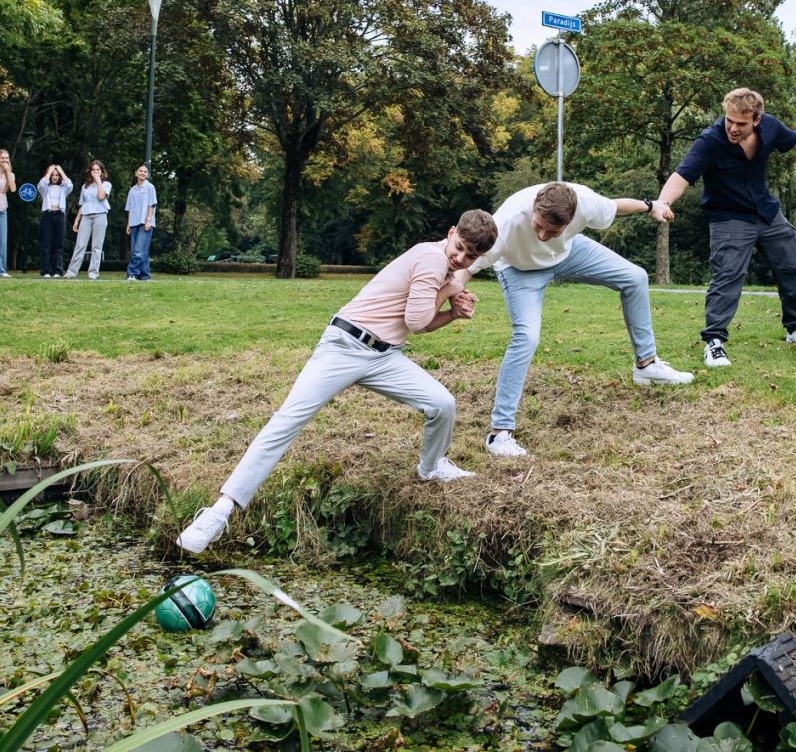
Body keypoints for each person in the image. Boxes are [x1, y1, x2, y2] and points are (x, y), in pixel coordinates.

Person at [176, 210, 499, 554]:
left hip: (384, 356)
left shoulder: (447, 266)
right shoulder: (432, 258)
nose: (460, 257)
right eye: (459, 247)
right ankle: (220, 511)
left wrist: (453, 312)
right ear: (450, 232)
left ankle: (430, 468)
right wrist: (450, 291)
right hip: (345, 346)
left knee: (442, 403)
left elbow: (423, 319)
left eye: (470, 256)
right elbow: (417, 321)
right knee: (287, 420)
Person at [453, 181, 694, 460]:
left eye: (552, 231)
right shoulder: (506, 222)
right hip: (519, 269)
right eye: (538, 225)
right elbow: (466, 267)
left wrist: (652, 206)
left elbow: (616, 206)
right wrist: (454, 295)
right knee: (527, 336)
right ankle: (499, 433)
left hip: (567, 254)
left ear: (571, 219)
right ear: (534, 208)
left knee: (636, 277)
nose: (542, 235)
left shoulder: (585, 202)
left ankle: (647, 365)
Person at [657, 88, 796, 368]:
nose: (733, 128)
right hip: (729, 217)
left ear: (756, 120)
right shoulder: (710, 140)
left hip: (766, 212)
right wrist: (663, 202)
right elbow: (682, 175)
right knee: (727, 276)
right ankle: (714, 343)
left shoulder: (770, 127)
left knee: (790, 267)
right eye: (729, 120)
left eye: (741, 123)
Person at [65, 160, 112, 280]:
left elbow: (101, 197)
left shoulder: (106, 184)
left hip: (100, 215)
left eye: (98, 170)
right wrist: (77, 220)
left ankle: (93, 273)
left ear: (101, 172)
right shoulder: (84, 187)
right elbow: (82, 204)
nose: (95, 171)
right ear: (90, 171)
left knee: (96, 246)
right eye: (93, 169)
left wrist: (98, 181)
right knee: (80, 244)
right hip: (86, 216)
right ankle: (71, 272)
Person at [38, 164, 74, 278]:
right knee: (46, 244)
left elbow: (70, 184)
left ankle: (57, 270)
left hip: (60, 215)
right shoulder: (45, 188)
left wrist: (60, 170)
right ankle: (46, 271)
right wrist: (49, 171)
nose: (54, 177)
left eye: (57, 175)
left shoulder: (63, 188)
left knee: (58, 244)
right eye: (53, 175)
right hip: (47, 215)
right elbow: (41, 184)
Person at [124, 164, 156, 281]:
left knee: (138, 250)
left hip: (145, 223)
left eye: (145, 172)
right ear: (136, 173)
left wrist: (148, 220)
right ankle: (144, 275)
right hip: (134, 223)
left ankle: (132, 273)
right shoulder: (132, 190)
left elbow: (152, 205)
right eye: (141, 171)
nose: (143, 173)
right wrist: (128, 224)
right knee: (139, 251)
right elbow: (130, 208)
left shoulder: (150, 187)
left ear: (147, 175)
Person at [0, 149, 15, 278]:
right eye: (2, 158)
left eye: (6, 158)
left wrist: (8, 173)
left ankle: (2, 270)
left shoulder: (10, 174)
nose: (5, 160)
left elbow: (12, 189)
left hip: (2, 210)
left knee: (3, 242)